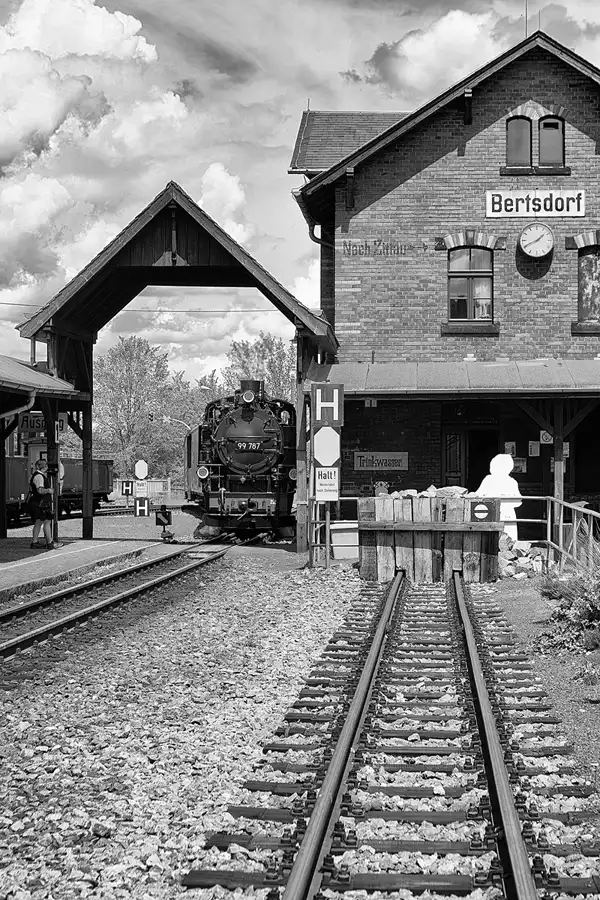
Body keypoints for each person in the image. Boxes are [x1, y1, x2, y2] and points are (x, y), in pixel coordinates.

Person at [476, 453, 522, 542]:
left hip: (490, 511)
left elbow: (479, 495)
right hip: (507, 513)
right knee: (509, 537)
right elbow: (518, 501)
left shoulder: (489, 479)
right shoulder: (512, 482)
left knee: (492, 537)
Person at [28, 459, 59, 550]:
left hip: (37, 502)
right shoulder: (39, 477)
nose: (47, 467)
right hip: (41, 503)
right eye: (45, 465)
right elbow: (40, 490)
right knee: (47, 521)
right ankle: (50, 543)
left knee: (39, 522)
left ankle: (35, 542)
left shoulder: (35, 475)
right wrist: (49, 490)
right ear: (44, 467)